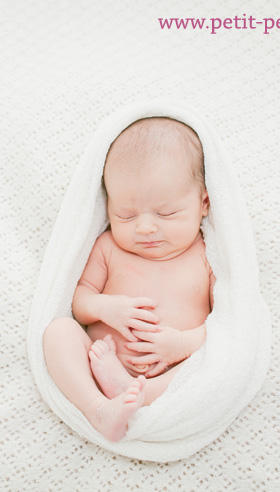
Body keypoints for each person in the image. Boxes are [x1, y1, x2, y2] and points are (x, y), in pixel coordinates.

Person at [43, 117, 216, 442]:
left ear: (203, 203)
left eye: (166, 214)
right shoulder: (108, 247)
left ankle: (141, 394)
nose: (146, 228)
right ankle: (98, 407)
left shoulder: (206, 257)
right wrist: (105, 307)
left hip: (171, 372)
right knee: (58, 332)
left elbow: (226, 325)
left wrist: (181, 345)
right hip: (99, 358)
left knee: (213, 363)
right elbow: (79, 302)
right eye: (126, 215)